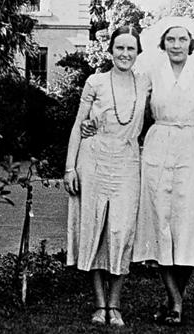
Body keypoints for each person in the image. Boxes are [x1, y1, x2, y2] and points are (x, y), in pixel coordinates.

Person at [131, 17, 194, 326]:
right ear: (163, 44)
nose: (177, 45)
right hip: (159, 145)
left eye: (182, 40)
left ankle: (173, 300)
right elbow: (131, 104)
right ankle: (177, 301)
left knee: (189, 224)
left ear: (191, 44)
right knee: (160, 222)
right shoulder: (152, 71)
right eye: (171, 40)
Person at [64, 25, 150, 327]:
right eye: (120, 48)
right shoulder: (95, 81)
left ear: (138, 52)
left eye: (130, 48)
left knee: (121, 231)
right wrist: (69, 167)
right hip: (94, 158)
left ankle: (116, 304)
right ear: (110, 50)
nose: (125, 54)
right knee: (95, 229)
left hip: (127, 161)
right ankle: (100, 305)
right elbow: (78, 124)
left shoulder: (146, 82)